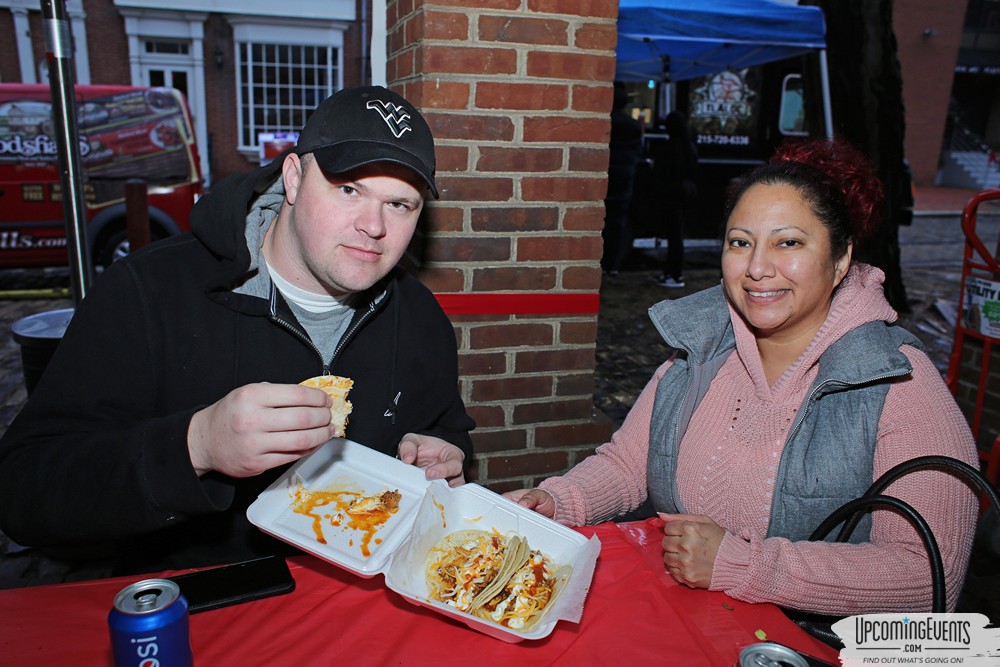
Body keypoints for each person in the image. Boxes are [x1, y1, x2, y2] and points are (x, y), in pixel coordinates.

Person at [0, 85, 475, 577]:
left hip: (361, 604)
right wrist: (195, 445)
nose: (373, 226)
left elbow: (445, 427)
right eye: (349, 189)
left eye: (400, 204)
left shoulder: (419, 315)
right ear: (293, 178)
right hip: (195, 611)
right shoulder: (149, 291)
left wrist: (442, 455)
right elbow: (22, 491)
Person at [507, 139, 978, 616]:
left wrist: (746, 565)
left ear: (840, 260)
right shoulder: (703, 348)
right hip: (689, 627)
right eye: (741, 242)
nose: (756, 268)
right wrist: (556, 501)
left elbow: (925, 574)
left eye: (788, 242)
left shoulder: (899, 382)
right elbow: (630, 462)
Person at [651, 110, 698, 288]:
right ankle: (673, 273)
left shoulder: (669, 148)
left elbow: (661, 174)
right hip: (686, 193)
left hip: (671, 195)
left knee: (674, 236)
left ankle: (673, 274)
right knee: (677, 235)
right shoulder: (690, 147)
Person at [602, 81, 644, 275]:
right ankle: (613, 264)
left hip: (606, 173)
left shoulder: (604, 121)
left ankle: (602, 262)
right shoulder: (633, 125)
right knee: (617, 222)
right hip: (625, 175)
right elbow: (638, 152)